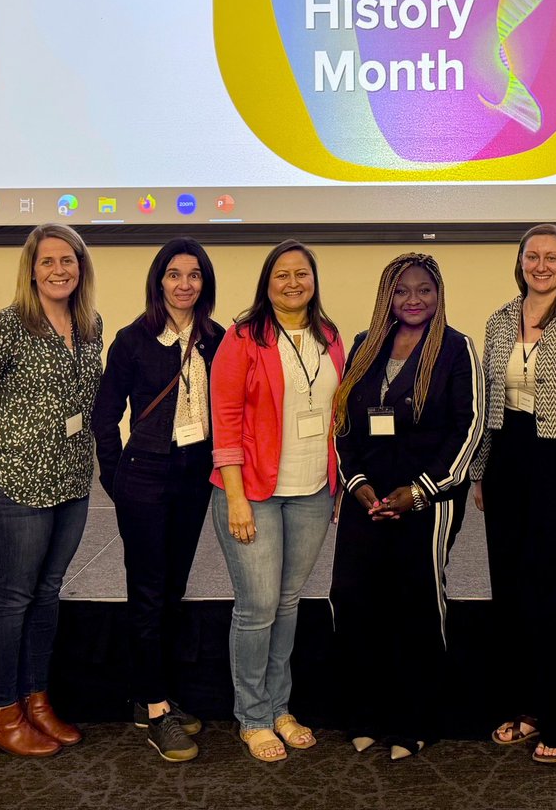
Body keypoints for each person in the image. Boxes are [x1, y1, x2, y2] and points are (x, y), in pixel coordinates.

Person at [0, 223, 102, 757]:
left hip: (72, 478)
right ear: (31, 268)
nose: (60, 270)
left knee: (47, 594)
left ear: (82, 268)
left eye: (69, 260)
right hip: (13, 481)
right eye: (48, 261)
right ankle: (1, 712)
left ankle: (35, 701)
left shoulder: (90, 326)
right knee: (11, 598)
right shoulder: (3, 328)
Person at [329, 253, 484, 760]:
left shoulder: (458, 350)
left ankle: (415, 719)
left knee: (415, 603)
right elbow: (343, 423)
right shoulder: (364, 346)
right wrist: (357, 485)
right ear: (386, 297)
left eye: (424, 290)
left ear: (439, 295)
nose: (413, 300)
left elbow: (470, 430)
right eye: (401, 291)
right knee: (353, 598)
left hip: (427, 500)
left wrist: (419, 491)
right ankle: (366, 713)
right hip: (366, 497)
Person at [469, 223, 556, 764]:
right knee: (511, 591)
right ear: (521, 261)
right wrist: (481, 471)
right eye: (533, 256)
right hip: (507, 461)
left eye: (553, 257)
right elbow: (488, 406)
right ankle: (522, 707)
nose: (542, 265)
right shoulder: (500, 320)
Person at [210, 240, 345, 763]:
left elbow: (334, 413)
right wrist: (237, 500)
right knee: (257, 608)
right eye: (281, 275)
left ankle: (280, 706)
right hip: (254, 494)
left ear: (314, 280)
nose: (293, 283)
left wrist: (336, 483)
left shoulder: (329, 336)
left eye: (302, 274)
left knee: (287, 604)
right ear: (267, 283)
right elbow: (226, 420)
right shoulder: (244, 338)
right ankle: (253, 716)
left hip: (311, 491)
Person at [92, 238, 225, 763]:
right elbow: (105, 417)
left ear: (205, 283)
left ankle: (155, 693)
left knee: (172, 591)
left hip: (195, 476)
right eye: (174, 274)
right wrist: (116, 478)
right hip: (144, 476)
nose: (185, 284)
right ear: (159, 281)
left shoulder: (218, 339)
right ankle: (153, 708)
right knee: (147, 594)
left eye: (194, 275)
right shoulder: (132, 340)